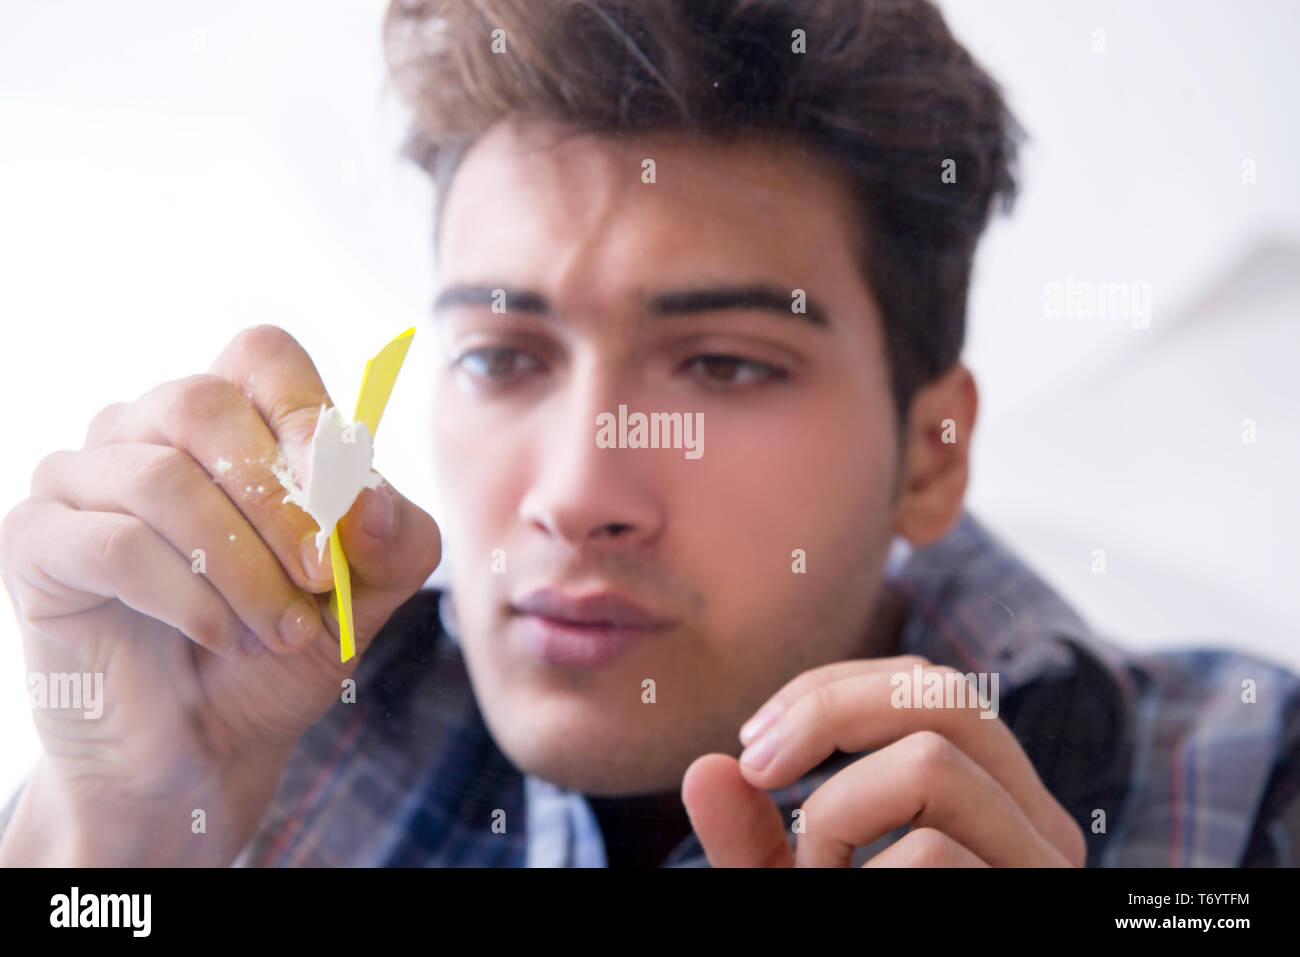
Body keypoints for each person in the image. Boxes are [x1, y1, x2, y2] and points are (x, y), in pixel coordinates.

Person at [1, 0, 1296, 868]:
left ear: (931, 450)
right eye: (502, 356)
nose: (575, 494)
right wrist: (104, 835)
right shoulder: (274, 730)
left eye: (726, 364)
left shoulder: (1246, 787)